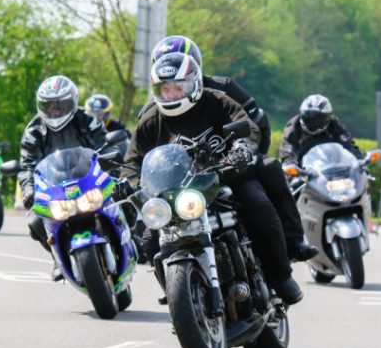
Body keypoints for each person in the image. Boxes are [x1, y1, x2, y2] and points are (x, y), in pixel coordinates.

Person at [120, 52, 304, 305]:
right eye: (165, 89)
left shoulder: (217, 100)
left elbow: (245, 125)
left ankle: (281, 277)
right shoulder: (151, 119)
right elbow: (132, 162)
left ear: (194, 83)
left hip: (228, 178)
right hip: (178, 192)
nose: (171, 95)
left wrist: (243, 147)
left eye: (178, 87)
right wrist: (128, 183)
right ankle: (177, 291)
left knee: (258, 207)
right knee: (151, 241)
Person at [149, 35, 317, 263]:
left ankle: (293, 240)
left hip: (232, 165)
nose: (172, 83)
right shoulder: (153, 109)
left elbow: (257, 123)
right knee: (149, 236)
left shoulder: (224, 89)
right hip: (182, 182)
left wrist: (249, 154)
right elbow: (143, 154)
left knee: (269, 170)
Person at [18, 76, 107, 281]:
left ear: (72, 101)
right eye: (49, 106)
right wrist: (29, 189)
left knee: (120, 200)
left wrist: (113, 167)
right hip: (55, 188)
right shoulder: (34, 130)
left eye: (60, 105)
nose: (54, 111)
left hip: (89, 180)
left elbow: (105, 146)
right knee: (36, 224)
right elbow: (27, 165)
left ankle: (131, 235)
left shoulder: (87, 120)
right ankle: (59, 258)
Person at [280, 94, 363, 166]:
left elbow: (348, 144)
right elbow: (288, 147)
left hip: (333, 169)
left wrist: (359, 161)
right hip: (303, 170)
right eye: (308, 117)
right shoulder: (294, 125)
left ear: (327, 117)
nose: (313, 122)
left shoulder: (334, 123)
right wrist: (290, 163)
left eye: (317, 119)